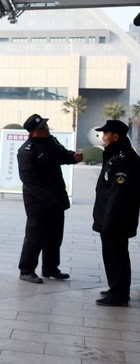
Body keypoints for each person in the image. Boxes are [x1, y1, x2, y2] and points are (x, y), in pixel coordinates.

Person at [17, 114, 83, 284]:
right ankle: (26, 270)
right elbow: (29, 181)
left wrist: (73, 157)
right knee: (35, 236)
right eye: (41, 128)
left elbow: (62, 154)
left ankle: (51, 268)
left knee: (55, 236)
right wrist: (48, 199)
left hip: (56, 198)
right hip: (37, 202)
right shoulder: (26, 151)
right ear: (32, 133)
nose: (46, 129)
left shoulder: (51, 141)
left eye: (45, 125)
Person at [92, 119, 140, 306]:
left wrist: (108, 221)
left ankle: (119, 294)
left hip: (116, 218)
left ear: (116, 136)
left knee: (116, 254)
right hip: (109, 215)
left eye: (106, 133)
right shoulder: (116, 154)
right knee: (112, 253)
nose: (103, 136)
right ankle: (116, 287)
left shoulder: (125, 158)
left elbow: (119, 194)